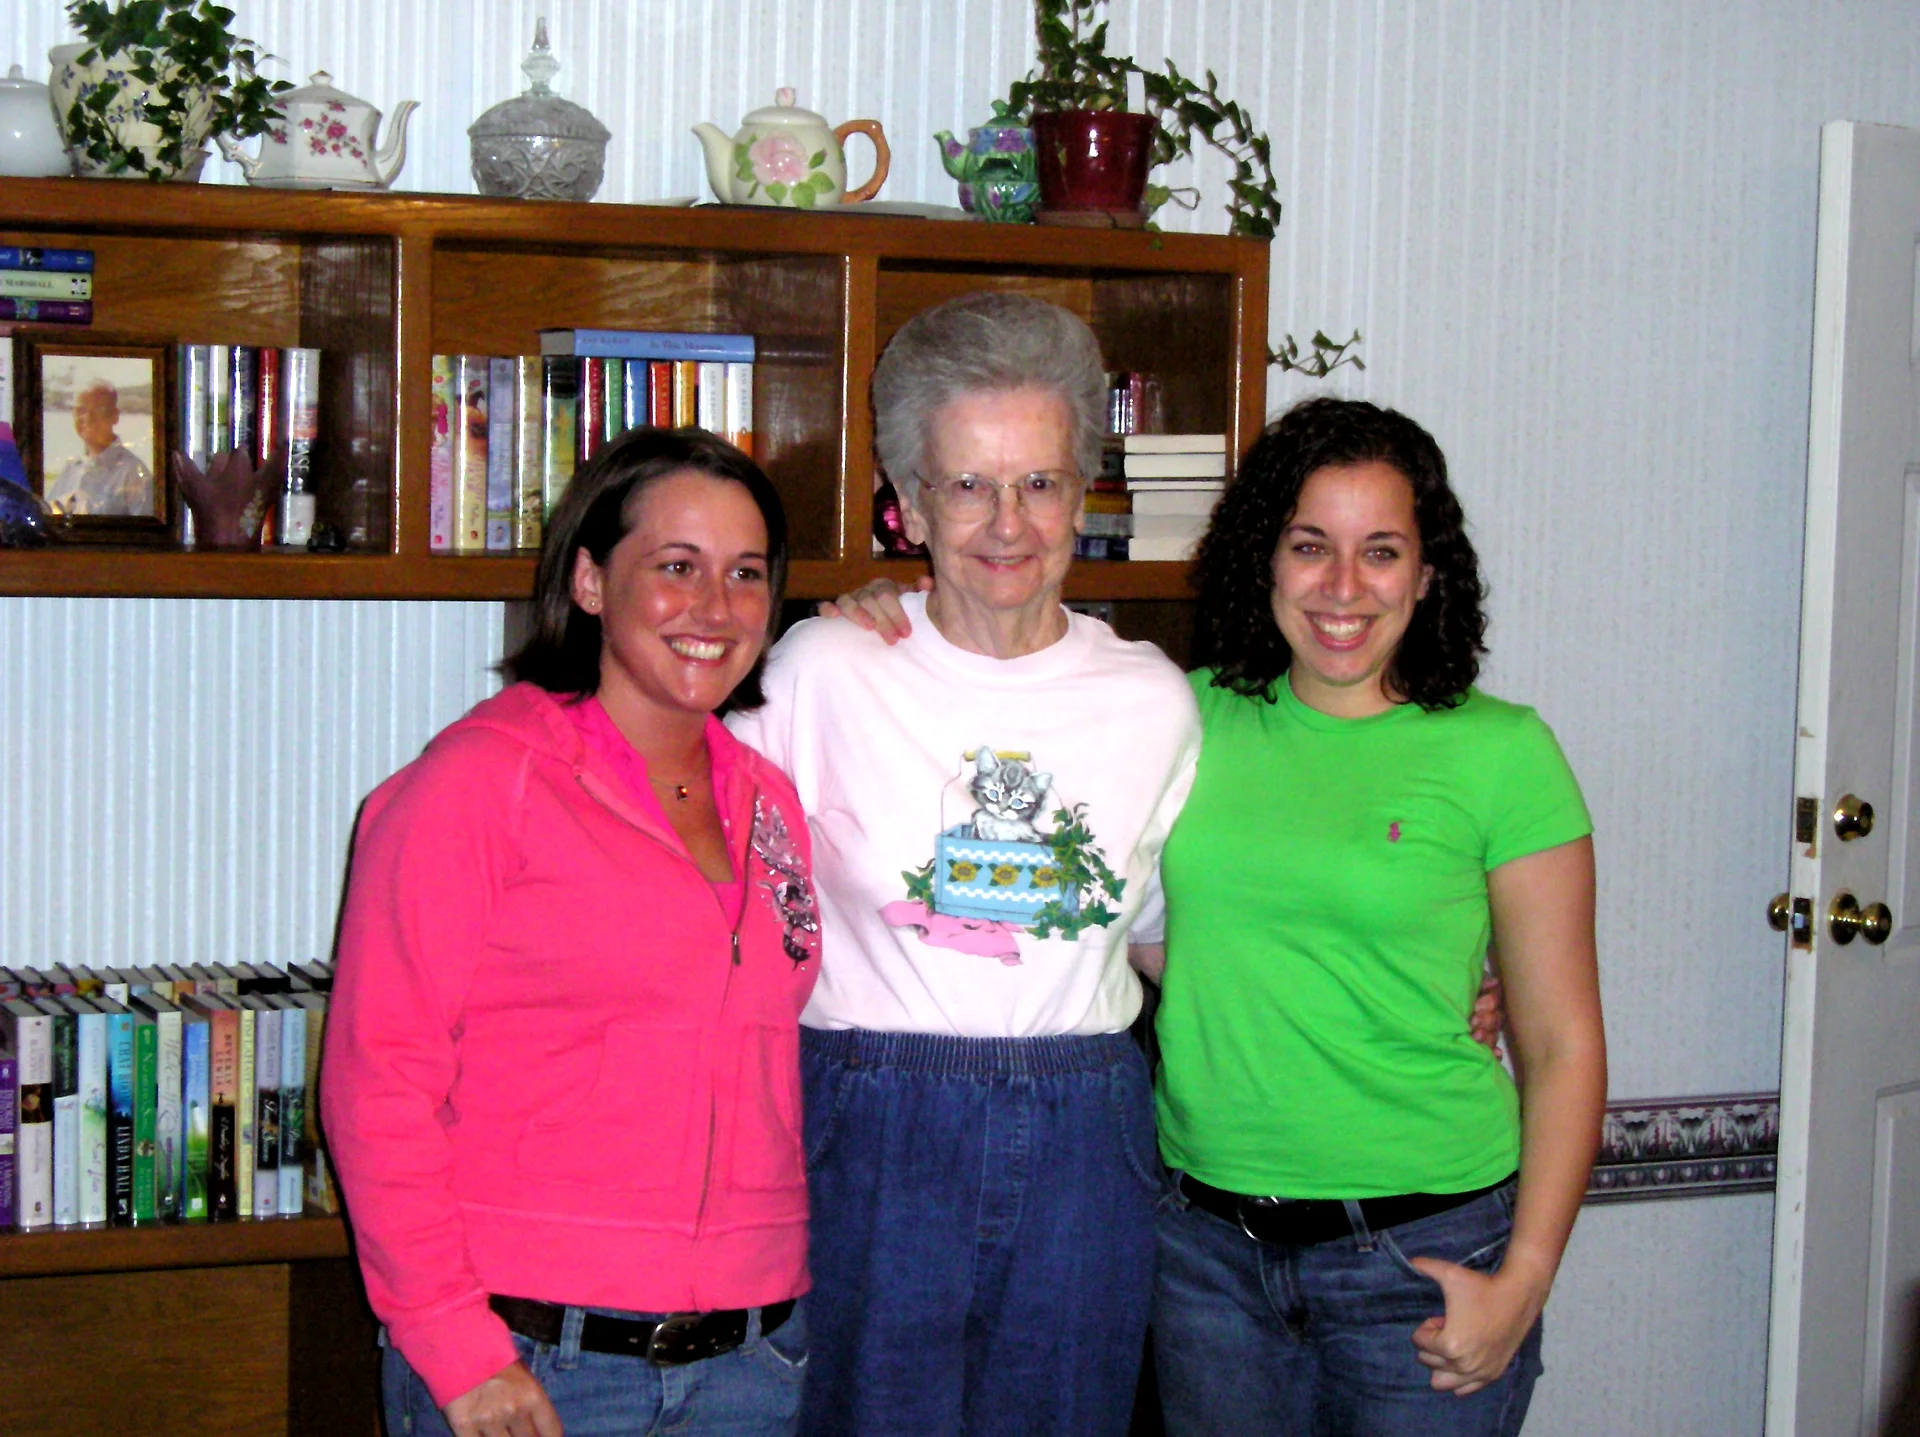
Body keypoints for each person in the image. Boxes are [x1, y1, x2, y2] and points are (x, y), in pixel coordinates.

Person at [724, 291, 1202, 1435]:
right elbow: (703, 887)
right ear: (908, 502)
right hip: (869, 1124)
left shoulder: (1153, 701)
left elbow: (1172, 937)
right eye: (968, 485)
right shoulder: (821, 670)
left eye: (1039, 482)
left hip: (1085, 1130)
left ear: (1082, 493)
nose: (1008, 523)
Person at [324, 428, 821, 1437]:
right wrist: (459, 1352)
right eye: (675, 567)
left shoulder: (768, 799)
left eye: (746, 573)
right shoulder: (478, 783)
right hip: (534, 1362)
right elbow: (378, 1083)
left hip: (751, 1360)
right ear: (590, 581)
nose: (715, 607)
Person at [1149, 396, 1605, 1435]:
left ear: (1428, 572)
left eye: (1382, 552)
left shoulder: (1502, 754)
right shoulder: (1181, 716)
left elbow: (1563, 1043)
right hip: (1206, 1258)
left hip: (1428, 1260)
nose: (1344, 587)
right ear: (1264, 559)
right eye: (1311, 545)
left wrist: (1526, 1280)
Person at [46, 379, 152, 516]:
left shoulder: (133, 473)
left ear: (114, 416)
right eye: (81, 410)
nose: (88, 418)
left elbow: (146, 527)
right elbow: (48, 514)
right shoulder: (72, 467)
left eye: (98, 410)